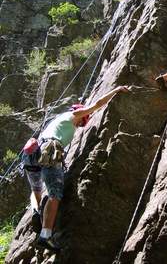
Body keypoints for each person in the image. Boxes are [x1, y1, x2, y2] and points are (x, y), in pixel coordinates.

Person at [23, 85, 130, 252]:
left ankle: (37, 212)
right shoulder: (73, 115)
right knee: (55, 193)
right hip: (49, 151)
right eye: (83, 121)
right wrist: (116, 90)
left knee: (36, 189)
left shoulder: (57, 121)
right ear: (81, 115)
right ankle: (45, 235)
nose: (81, 124)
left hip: (32, 152)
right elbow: (97, 104)